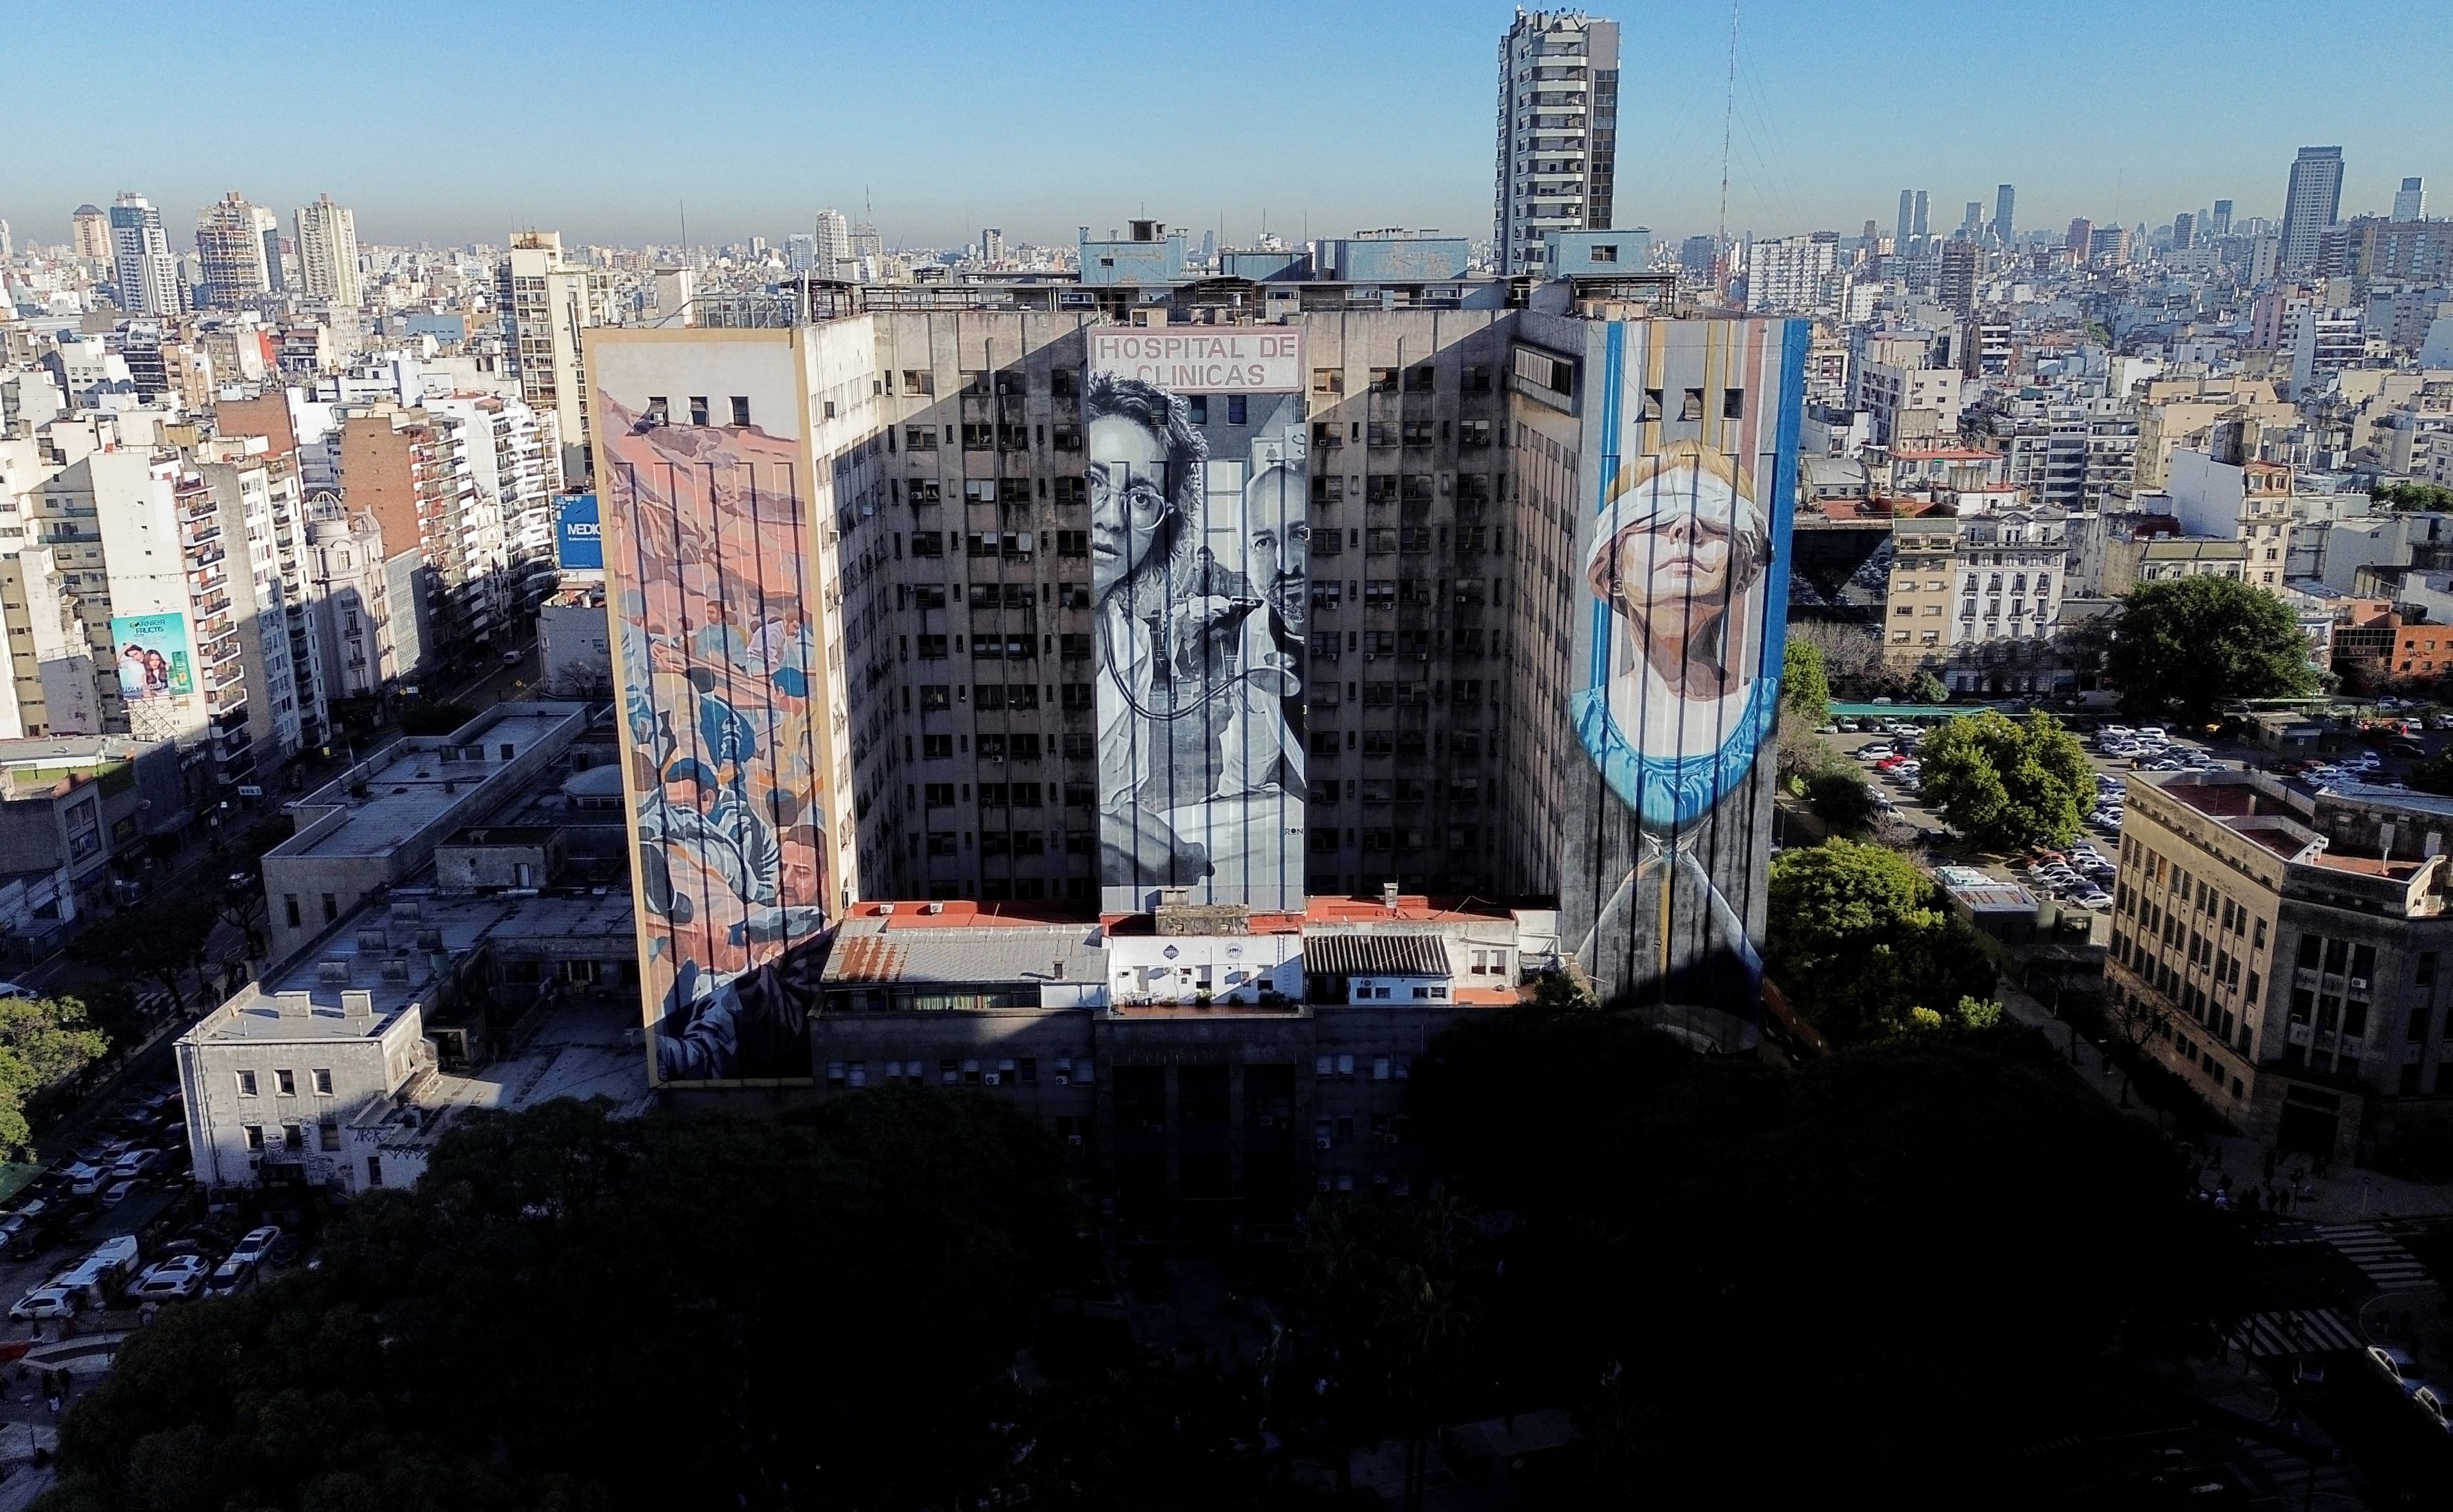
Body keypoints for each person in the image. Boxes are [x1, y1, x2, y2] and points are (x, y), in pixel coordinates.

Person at [1087, 371, 1230, 890]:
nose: (1111, 518)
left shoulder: (1132, 646)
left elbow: (1113, 801)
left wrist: (1178, 853)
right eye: (1091, 482)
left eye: (1141, 498)